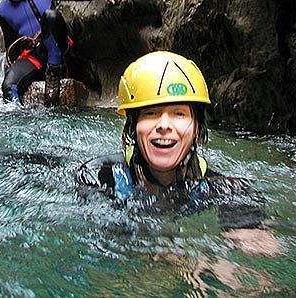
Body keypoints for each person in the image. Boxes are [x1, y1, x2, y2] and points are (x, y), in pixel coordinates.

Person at [77, 51, 282, 257]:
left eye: (179, 113)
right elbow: (112, 243)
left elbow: (259, 247)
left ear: (196, 129)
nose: (164, 125)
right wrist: (183, 259)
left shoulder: (224, 189)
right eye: (151, 113)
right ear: (133, 127)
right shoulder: (101, 176)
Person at [0, 0, 123, 105]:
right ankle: (17, 122)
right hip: (35, 54)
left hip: (58, 45)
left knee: (50, 16)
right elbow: (10, 45)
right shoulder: (2, 10)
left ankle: (54, 71)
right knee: (8, 86)